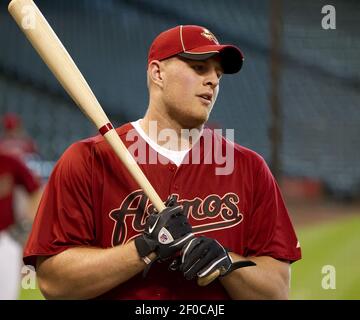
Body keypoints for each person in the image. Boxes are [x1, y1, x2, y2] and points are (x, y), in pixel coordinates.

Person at [24, 25, 301, 300]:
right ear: (158, 73)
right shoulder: (88, 160)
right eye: (200, 68)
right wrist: (143, 249)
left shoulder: (249, 168)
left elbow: (276, 291)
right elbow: (54, 283)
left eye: (218, 74)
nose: (213, 81)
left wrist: (227, 264)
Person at [0, 152, 42, 300]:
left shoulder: (8, 161)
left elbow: (36, 190)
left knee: (7, 293)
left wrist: (27, 222)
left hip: (4, 238)